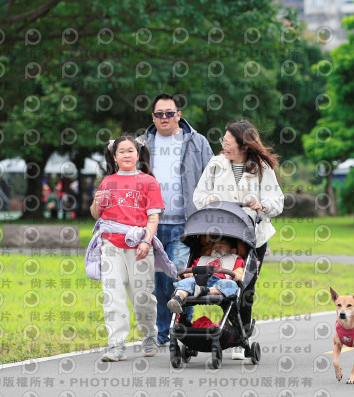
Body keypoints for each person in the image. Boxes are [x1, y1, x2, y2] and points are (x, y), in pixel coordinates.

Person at [193, 119, 284, 359]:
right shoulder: (215, 164)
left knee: (245, 287)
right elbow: (199, 195)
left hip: (253, 237)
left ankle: (241, 336)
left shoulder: (262, 167)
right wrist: (208, 200)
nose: (223, 145)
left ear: (244, 145)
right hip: (221, 237)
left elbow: (277, 202)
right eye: (223, 140)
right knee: (223, 282)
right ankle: (231, 331)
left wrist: (261, 204)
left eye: (228, 141)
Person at [142, 93, 214, 345]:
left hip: (185, 224)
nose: (164, 118)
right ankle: (164, 333)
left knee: (179, 278)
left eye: (169, 113)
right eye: (159, 114)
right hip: (150, 225)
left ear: (178, 115)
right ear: (153, 117)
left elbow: (212, 178)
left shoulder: (197, 141)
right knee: (158, 284)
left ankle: (182, 329)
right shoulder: (142, 144)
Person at [89, 136, 168, 362]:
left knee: (142, 297)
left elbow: (153, 217)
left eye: (130, 150)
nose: (126, 155)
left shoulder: (149, 182)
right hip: (110, 245)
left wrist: (146, 241)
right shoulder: (107, 182)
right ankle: (116, 344)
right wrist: (97, 202)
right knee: (112, 295)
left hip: (139, 245)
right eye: (121, 151)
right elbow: (96, 214)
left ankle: (149, 334)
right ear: (114, 157)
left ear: (138, 154)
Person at [167, 236, 245, 313]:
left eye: (221, 246)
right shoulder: (202, 259)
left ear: (233, 251)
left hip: (220, 280)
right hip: (199, 279)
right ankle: (177, 298)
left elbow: (238, 271)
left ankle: (205, 291)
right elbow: (192, 270)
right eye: (215, 246)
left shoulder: (235, 259)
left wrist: (237, 275)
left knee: (231, 285)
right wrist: (186, 274)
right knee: (187, 282)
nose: (217, 248)